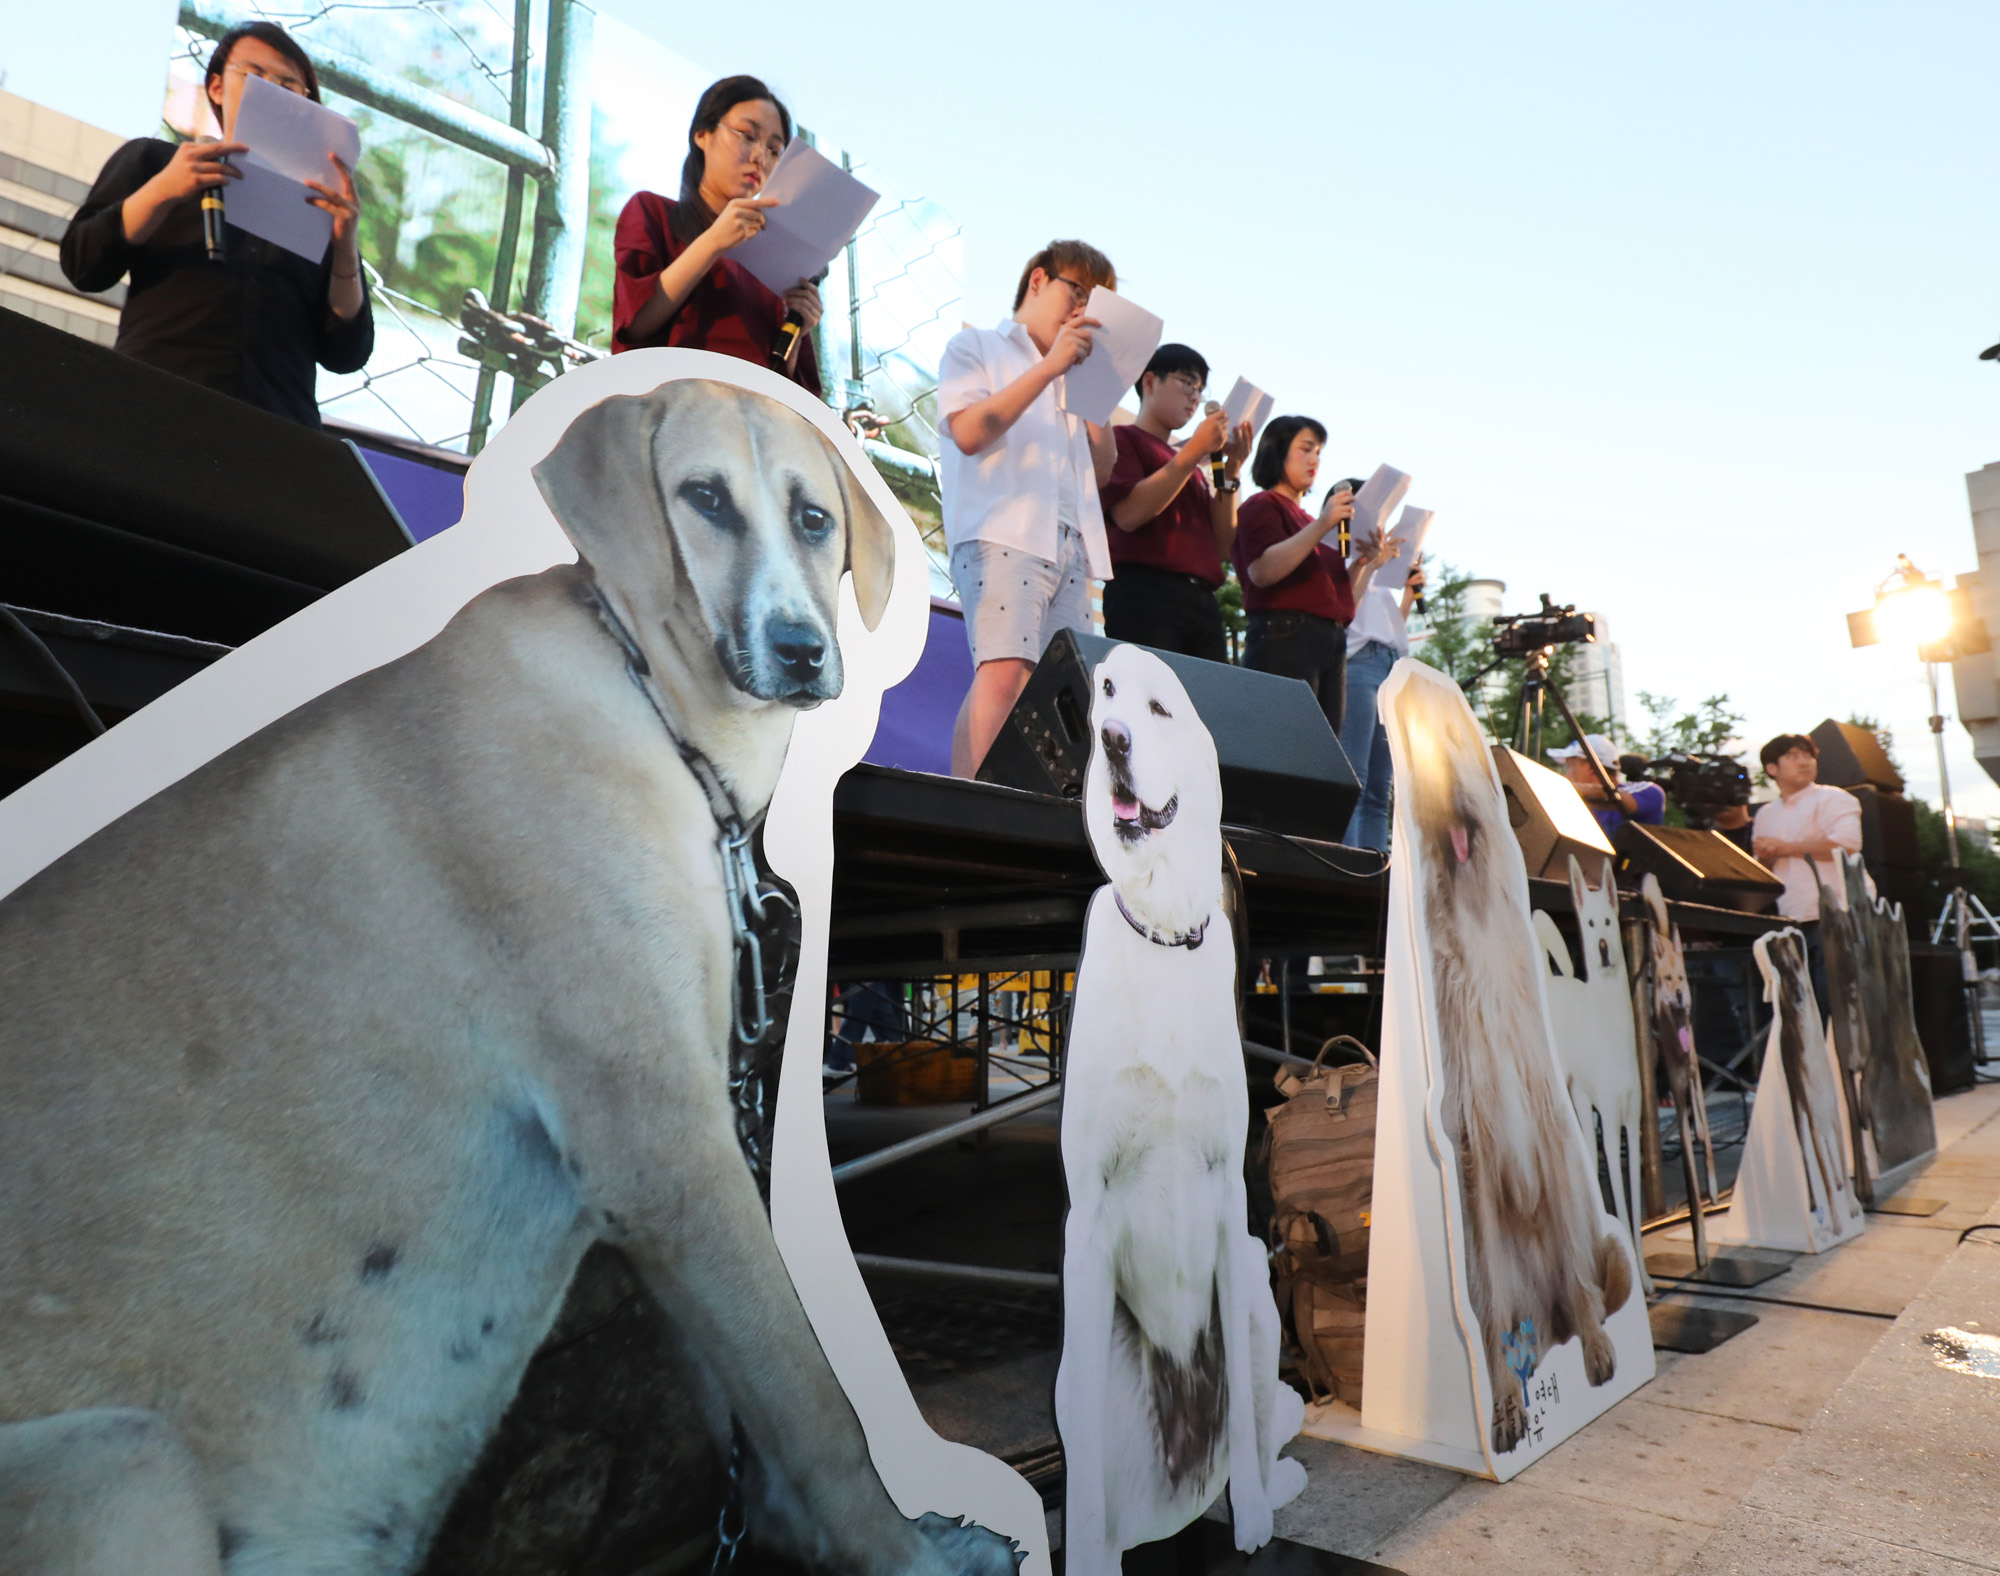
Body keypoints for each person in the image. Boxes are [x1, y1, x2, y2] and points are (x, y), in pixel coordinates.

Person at [59, 22, 371, 429]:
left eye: (288, 84)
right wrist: (164, 191)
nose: (271, 91)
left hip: (277, 432)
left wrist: (345, 246)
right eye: (255, 75)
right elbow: (83, 264)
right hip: (152, 408)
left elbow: (347, 352)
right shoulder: (154, 161)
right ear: (218, 87)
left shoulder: (318, 203)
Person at [938, 240, 1119, 776]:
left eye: (1097, 305)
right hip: (1004, 533)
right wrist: (1051, 367)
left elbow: (1104, 470)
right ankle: (967, 808)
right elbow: (970, 431)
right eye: (1079, 291)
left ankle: (1028, 813)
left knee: (1064, 693)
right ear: (1038, 280)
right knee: (1004, 671)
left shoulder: (1075, 377)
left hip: (1070, 544)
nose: (1084, 310)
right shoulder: (978, 346)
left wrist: (1095, 396)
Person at [612, 75, 823, 394]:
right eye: (747, 136)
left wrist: (799, 326)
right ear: (702, 134)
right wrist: (714, 241)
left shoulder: (777, 261)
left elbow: (786, 391)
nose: (760, 158)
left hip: (750, 432)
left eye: (775, 149)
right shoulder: (653, 212)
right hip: (666, 414)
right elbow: (635, 325)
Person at [1231, 420, 1394, 734]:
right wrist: (1321, 524)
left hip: (1328, 642)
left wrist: (1366, 563)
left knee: (1322, 755)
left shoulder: (1313, 522)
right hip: (1284, 637)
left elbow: (1343, 606)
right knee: (1284, 746)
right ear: (1277, 452)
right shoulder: (1263, 504)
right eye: (1305, 449)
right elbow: (1262, 571)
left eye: (1318, 452)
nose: (1314, 460)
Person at [1097, 344, 1251, 661]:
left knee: (1206, 706)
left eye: (1200, 388)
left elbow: (1222, 545)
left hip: (1202, 600)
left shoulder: (1190, 469)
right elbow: (1128, 514)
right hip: (1144, 593)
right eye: (1186, 382)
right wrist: (1194, 451)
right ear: (1150, 382)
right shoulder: (1125, 439)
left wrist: (1231, 469)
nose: (1195, 396)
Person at [1753, 732, 1865, 1010]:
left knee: (1838, 1005)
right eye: (1793, 756)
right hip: (1790, 917)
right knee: (1802, 1008)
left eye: (1809, 755)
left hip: (1837, 911)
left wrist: (1783, 847)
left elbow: (1848, 844)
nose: (1804, 762)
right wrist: (1765, 858)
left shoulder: (1834, 798)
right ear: (1771, 768)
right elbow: (1763, 870)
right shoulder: (1765, 813)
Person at [1338, 549, 1427, 851]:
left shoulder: (1380, 581)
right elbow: (1344, 612)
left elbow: (1390, 630)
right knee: (1355, 778)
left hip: (1391, 666)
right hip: (1359, 664)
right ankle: (1348, 867)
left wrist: (1408, 597)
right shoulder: (1344, 562)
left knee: (1380, 788)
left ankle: (1376, 878)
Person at [1550, 734, 1665, 837]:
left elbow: (1616, 797)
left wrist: (1562, 789)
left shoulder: (1648, 791)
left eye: (1571, 767)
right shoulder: (1572, 806)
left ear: (1591, 768)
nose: (1566, 774)